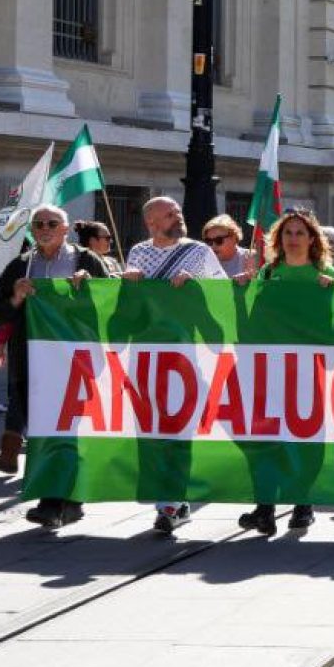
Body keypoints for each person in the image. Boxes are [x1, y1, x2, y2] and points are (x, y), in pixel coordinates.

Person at [0, 206, 109, 529]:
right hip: (33, 363)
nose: (45, 228)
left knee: (71, 431)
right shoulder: (20, 265)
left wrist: (92, 284)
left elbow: (112, 303)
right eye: (39, 224)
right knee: (45, 431)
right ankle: (50, 499)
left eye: (52, 223)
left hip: (78, 363)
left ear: (66, 228)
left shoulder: (87, 261)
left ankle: (66, 500)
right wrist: (16, 297)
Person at [124, 196, 229, 533]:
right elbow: (131, 307)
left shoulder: (199, 251)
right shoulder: (138, 252)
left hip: (187, 355)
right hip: (147, 355)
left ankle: (173, 499)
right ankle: (166, 499)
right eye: (169, 214)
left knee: (179, 428)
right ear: (152, 223)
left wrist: (196, 285)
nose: (178, 216)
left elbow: (222, 296)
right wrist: (130, 283)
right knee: (152, 429)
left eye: (178, 211)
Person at [236, 210, 334, 535]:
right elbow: (251, 324)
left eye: (299, 233)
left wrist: (332, 291)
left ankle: (302, 503)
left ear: (312, 239)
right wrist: (241, 292)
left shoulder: (326, 273)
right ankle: (265, 506)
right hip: (269, 369)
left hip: (309, 370)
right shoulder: (267, 273)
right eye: (287, 233)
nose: (293, 238)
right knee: (265, 435)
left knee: (306, 436)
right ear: (278, 239)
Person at [202, 214, 256, 280]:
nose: (213, 246)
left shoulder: (251, 258)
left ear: (234, 237)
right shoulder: (201, 262)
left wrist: (252, 278)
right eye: (209, 241)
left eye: (218, 240)